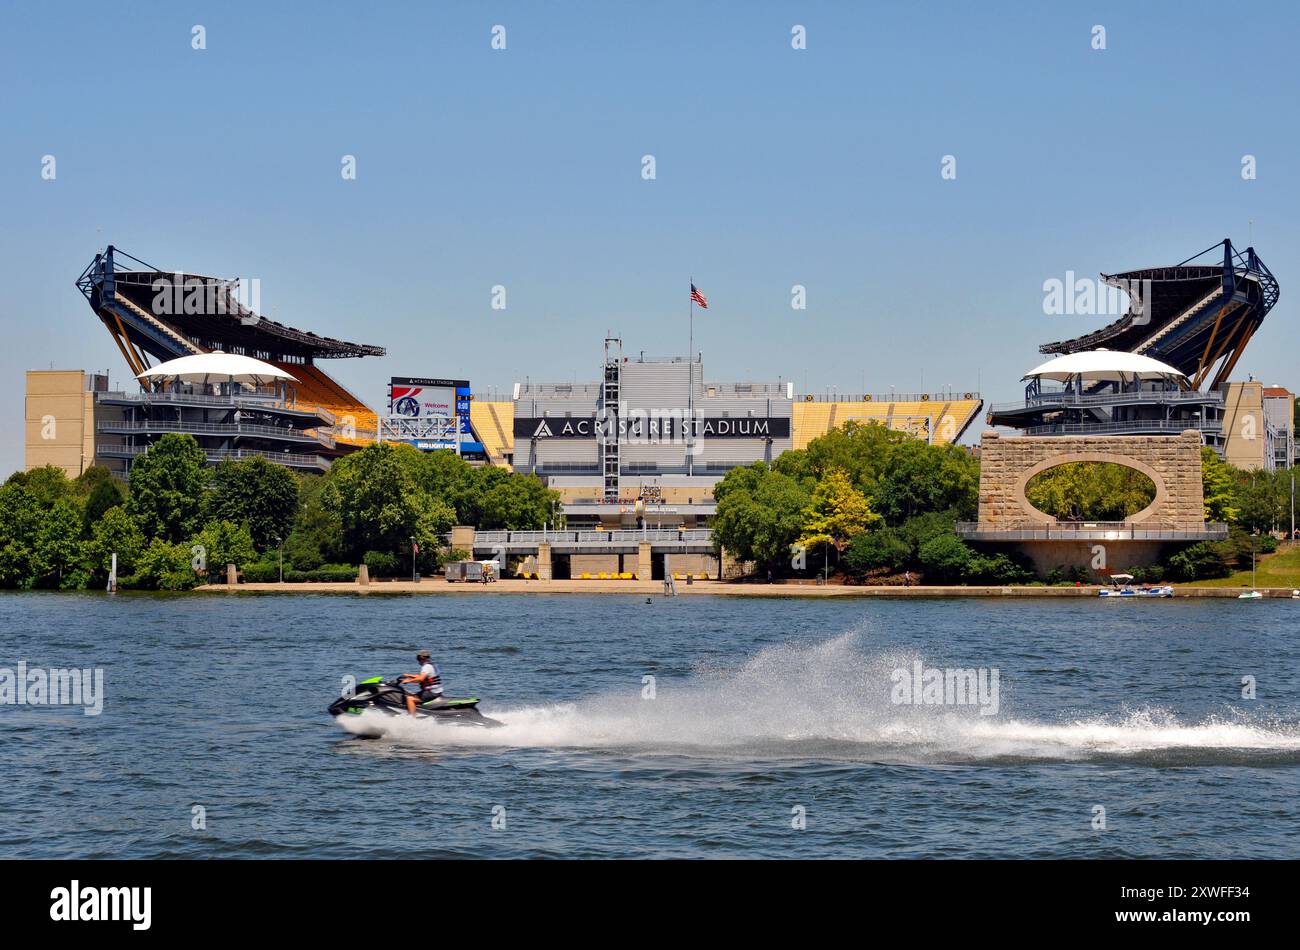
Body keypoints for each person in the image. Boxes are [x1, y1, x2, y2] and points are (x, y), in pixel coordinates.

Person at [399, 650, 443, 717]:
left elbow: (420, 679)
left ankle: (412, 718)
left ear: (422, 658)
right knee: (412, 694)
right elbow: (425, 677)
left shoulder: (426, 667)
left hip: (431, 692)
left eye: (418, 659)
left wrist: (408, 681)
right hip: (436, 691)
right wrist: (408, 675)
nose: (418, 661)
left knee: (410, 698)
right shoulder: (432, 665)